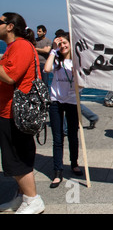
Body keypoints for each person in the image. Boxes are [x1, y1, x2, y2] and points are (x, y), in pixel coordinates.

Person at [0, 12, 45, 214]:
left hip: (14, 112)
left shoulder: (20, 46)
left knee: (16, 157)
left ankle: (33, 200)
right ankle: (22, 198)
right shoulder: (14, 47)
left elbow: (10, 76)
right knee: (16, 156)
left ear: (10, 26)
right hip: (9, 110)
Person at [44, 31, 83, 188]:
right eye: (60, 44)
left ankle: (74, 163)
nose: (63, 46)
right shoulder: (56, 60)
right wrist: (53, 50)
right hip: (56, 101)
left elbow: (83, 82)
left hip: (73, 102)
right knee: (58, 137)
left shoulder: (77, 61)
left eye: (65, 43)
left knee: (73, 135)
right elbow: (46, 70)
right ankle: (57, 171)